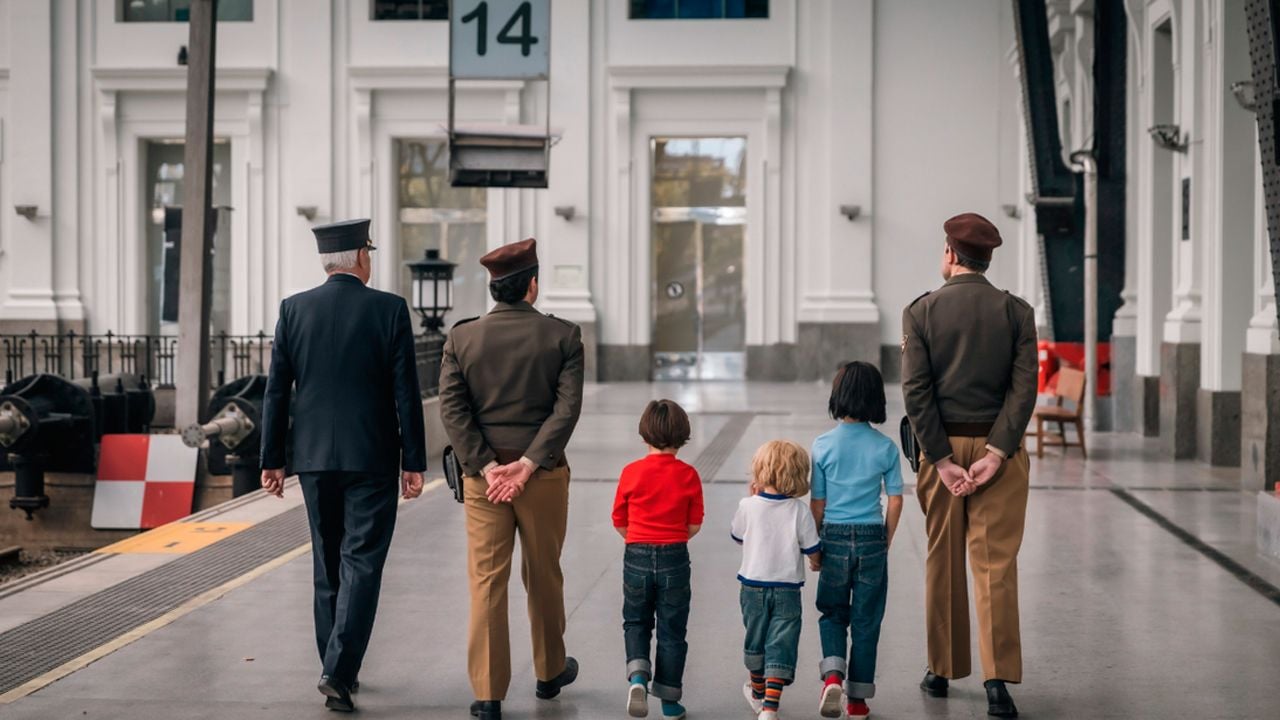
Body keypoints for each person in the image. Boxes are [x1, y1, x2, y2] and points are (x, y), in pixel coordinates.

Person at [259, 218, 427, 713]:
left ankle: (336, 670)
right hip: (372, 457)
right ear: (360, 257)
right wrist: (412, 461)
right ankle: (339, 669)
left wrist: (272, 460)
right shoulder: (390, 310)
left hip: (312, 459)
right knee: (363, 561)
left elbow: (276, 391)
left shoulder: (293, 310)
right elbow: (406, 393)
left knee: (327, 561)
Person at [438, 237, 585, 720]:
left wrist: (485, 466)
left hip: (485, 483)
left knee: (486, 581)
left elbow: (453, 411)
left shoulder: (461, 338)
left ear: (494, 287)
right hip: (541, 478)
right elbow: (566, 411)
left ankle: (487, 695)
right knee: (544, 574)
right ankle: (548, 673)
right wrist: (528, 464)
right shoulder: (564, 337)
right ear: (532, 286)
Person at [901, 212, 1037, 718]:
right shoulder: (1017, 313)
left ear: (951, 255)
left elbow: (917, 392)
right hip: (1001, 453)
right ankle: (997, 682)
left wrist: (939, 459)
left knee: (943, 555)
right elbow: (1025, 391)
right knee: (994, 563)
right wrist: (997, 452)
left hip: (941, 450)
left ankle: (942, 668)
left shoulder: (921, 313)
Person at [810, 361, 904, 720]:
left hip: (832, 535)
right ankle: (857, 701)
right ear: (876, 400)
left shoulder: (822, 445)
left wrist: (815, 546)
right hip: (871, 539)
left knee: (833, 612)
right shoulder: (886, 447)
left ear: (838, 396)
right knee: (867, 620)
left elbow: (817, 502)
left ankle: (833, 675)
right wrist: (886, 539)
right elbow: (895, 499)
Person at [612, 399, 705, 720]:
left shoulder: (630, 472)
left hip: (635, 554)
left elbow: (618, 519)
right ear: (683, 436)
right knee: (672, 629)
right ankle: (668, 700)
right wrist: (672, 537)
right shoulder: (689, 475)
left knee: (636, 620)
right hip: (674, 557)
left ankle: (638, 677)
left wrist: (638, 537)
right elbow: (694, 524)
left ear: (644, 435)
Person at [731, 440, 822, 720]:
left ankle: (758, 694)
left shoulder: (748, 505)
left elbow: (737, 535)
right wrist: (815, 562)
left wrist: (751, 498)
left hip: (752, 586)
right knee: (780, 643)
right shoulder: (799, 510)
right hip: (787, 589)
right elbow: (812, 547)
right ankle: (770, 707)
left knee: (755, 639)